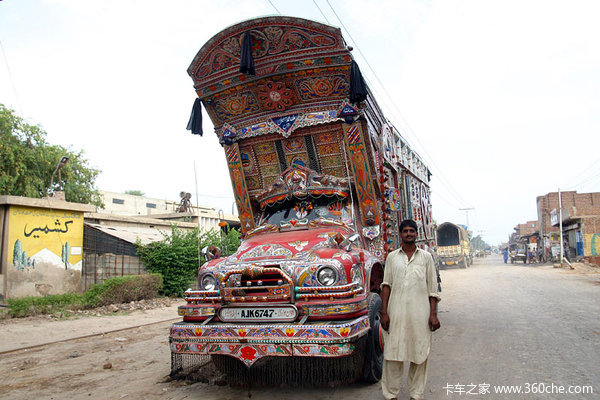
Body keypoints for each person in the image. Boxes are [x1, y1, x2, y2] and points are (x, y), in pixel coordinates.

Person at [381, 219, 441, 400]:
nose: (409, 234)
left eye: (412, 231)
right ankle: (391, 395)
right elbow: (386, 286)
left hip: (420, 315)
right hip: (396, 314)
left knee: (420, 355)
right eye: (405, 231)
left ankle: (416, 394)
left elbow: (432, 289)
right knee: (392, 355)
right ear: (400, 235)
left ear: (417, 234)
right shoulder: (392, 257)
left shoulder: (426, 258)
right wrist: (384, 312)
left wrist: (433, 315)